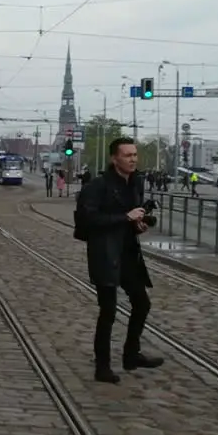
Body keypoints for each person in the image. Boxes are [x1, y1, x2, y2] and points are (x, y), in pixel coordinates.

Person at [77, 138, 164, 385]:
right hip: (104, 253)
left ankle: (131, 354)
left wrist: (138, 224)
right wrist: (124, 217)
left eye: (135, 155)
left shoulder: (135, 183)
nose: (133, 159)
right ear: (114, 159)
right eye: (127, 155)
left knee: (142, 303)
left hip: (128, 253)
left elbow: (131, 216)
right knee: (108, 311)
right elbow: (89, 220)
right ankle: (102, 366)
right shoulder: (98, 186)